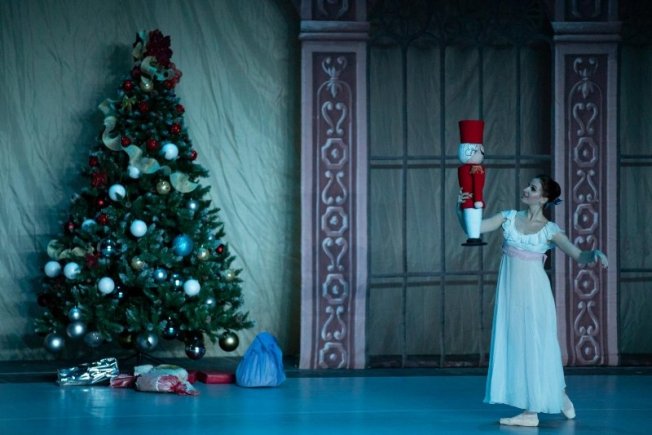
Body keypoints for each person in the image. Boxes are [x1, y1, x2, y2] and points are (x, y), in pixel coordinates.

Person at [457, 174, 608, 427]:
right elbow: (475, 228)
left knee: (537, 345)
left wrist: (594, 253)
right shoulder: (508, 218)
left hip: (536, 297)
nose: (526, 189)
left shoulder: (550, 231)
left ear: (544, 198)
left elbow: (578, 255)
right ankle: (557, 395)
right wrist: (461, 207)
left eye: (533, 188)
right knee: (518, 346)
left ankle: (531, 412)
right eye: (529, 186)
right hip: (511, 298)